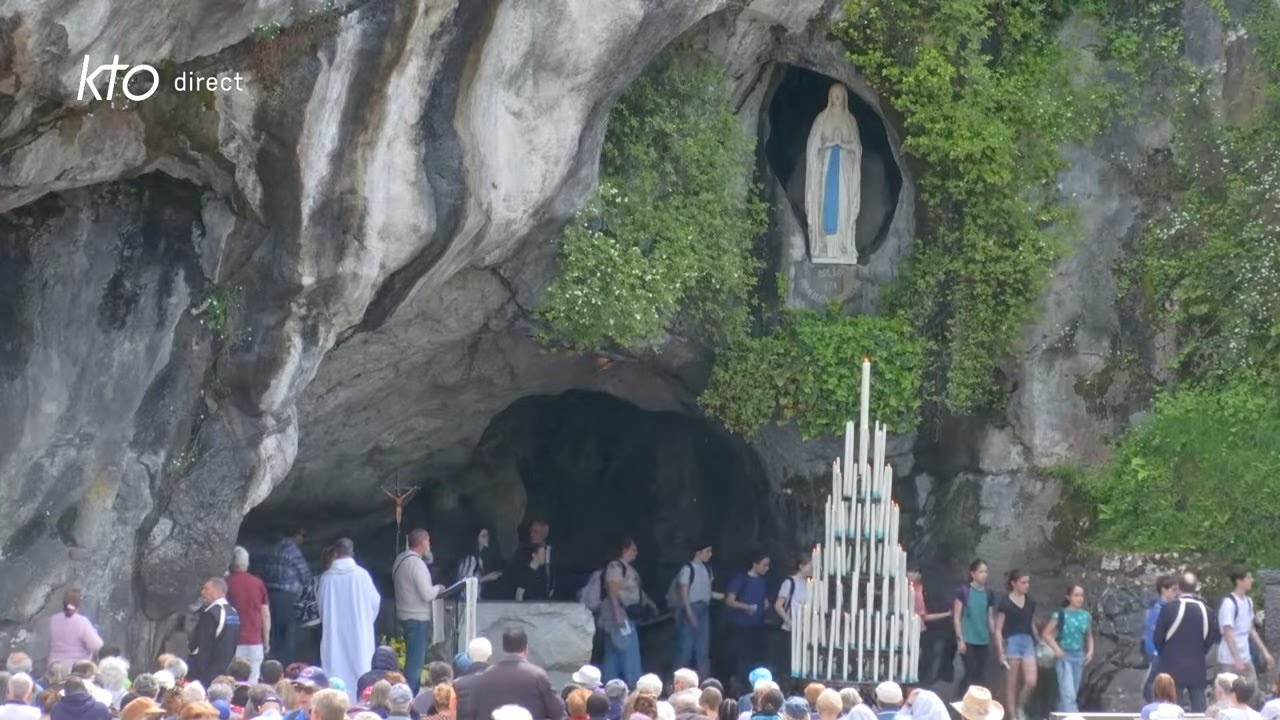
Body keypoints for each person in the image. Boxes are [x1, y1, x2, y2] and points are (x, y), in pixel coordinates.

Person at [318, 539, 381, 702]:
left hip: (334, 635)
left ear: (336, 553)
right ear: (352, 553)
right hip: (359, 634)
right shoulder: (363, 576)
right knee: (360, 669)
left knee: (336, 669)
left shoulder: (326, 578)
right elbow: (375, 602)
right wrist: (365, 622)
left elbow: (321, 606)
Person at [453, 628, 564, 720]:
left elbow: (472, 711)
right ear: (526, 649)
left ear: (503, 648)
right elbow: (558, 711)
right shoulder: (538, 676)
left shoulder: (484, 676)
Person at [1155, 572, 1220, 713]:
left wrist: (1166, 654)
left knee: (1173, 705)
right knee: (1199, 704)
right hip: (1197, 663)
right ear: (1195, 587)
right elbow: (1210, 638)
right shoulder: (1207, 611)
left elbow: (1158, 638)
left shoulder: (1169, 608)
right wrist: (1199, 652)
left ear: (1179, 587)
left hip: (1171, 663)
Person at [392, 529, 446, 694]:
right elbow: (427, 594)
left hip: (404, 614)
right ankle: (410, 697)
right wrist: (439, 588)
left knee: (411, 659)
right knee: (415, 662)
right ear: (423, 543)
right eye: (428, 541)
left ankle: (406, 694)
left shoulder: (400, 558)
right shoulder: (416, 564)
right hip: (416, 618)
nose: (429, 544)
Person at [601, 539, 656, 686]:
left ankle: (612, 683)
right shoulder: (615, 567)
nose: (636, 553)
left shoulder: (628, 569)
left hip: (627, 615)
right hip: (620, 615)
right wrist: (617, 612)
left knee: (615, 651)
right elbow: (613, 590)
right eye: (633, 549)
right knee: (628, 651)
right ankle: (632, 684)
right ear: (624, 550)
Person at [260, 529, 312, 667]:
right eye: (302, 536)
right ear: (296, 536)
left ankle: (273, 665)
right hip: (288, 596)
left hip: (271, 595)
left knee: (274, 633)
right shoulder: (293, 551)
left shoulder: (272, 548)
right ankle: (287, 666)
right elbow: (305, 574)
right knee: (288, 634)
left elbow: (263, 570)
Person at [1041, 583, 1093, 714]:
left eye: (1081, 595)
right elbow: (1046, 633)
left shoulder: (1085, 616)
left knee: (1069, 694)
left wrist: (1091, 651)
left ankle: (1059, 716)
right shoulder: (1060, 614)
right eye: (1076, 595)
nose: (1080, 598)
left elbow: (1089, 635)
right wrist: (1056, 648)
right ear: (1069, 597)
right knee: (1069, 695)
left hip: (1078, 656)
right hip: (1064, 656)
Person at [994, 569, 1037, 720]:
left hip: (1027, 640)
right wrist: (1000, 651)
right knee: (1011, 684)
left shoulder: (1030, 601)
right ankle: (1013, 716)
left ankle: (1020, 706)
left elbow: (1031, 623)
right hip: (1011, 641)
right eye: (1023, 582)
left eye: (1028, 582)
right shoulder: (1005, 602)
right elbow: (998, 629)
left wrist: (1038, 642)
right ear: (1014, 583)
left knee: (1031, 680)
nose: (1026, 585)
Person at [725, 553, 771, 694]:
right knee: (740, 657)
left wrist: (765, 607)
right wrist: (747, 607)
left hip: (756, 625)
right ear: (755, 564)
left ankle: (749, 685)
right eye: (764, 565)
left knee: (753, 657)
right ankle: (737, 685)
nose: (767, 568)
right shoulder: (741, 579)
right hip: (740, 625)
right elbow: (729, 600)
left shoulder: (763, 581)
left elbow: (764, 600)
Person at [226, 547, 272, 684]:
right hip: (254, 641)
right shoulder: (258, 583)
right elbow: (265, 614)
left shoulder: (225, 583)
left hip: (232, 642)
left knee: (231, 681)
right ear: (247, 563)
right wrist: (266, 641)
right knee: (252, 683)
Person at [1218, 568, 1273, 683]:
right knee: (1231, 691)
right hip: (1230, 659)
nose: (1251, 580)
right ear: (1239, 581)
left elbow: (1251, 630)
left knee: (1252, 689)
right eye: (1248, 578)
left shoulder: (1248, 602)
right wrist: (1237, 659)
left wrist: (1265, 653)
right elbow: (1228, 632)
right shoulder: (1229, 603)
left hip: (1245, 656)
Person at [673, 543, 719, 680]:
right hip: (691, 607)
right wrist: (689, 612)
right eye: (707, 551)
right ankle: (677, 681)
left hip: (704, 607)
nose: (710, 554)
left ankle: (704, 681)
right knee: (685, 649)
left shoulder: (707, 569)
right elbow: (684, 593)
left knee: (703, 650)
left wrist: (722, 596)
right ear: (698, 552)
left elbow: (708, 591)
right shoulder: (688, 569)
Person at [190, 578, 242, 687]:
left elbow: (202, 647)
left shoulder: (211, 614)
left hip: (208, 676)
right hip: (226, 674)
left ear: (217, 591)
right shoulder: (233, 613)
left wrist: (198, 677)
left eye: (206, 589)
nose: (202, 592)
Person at [953, 560, 995, 689]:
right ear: (973, 574)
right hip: (968, 639)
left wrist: (995, 635)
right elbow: (956, 617)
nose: (984, 575)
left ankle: (976, 703)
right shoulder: (964, 592)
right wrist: (960, 639)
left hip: (983, 639)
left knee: (980, 674)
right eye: (981, 572)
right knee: (969, 672)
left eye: (986, 572)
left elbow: (990, 617)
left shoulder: (988, 593)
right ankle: (962, 698)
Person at [1143, 576, 1180, 703]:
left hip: (1168, 652)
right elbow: (1151, 631)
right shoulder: (1157, 609)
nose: (1176, 593)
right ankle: (1153, 705)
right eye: (1173, 590)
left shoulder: (1172, 607)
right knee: (1153, 682)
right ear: (1164, 589)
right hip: (1157, 651)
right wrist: (1154, 650)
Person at [48, 591, 104, 666]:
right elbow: (96, 646)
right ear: (78, 605)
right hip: (75, 668)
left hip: (53, 667)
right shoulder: (82, 622)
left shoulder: (53, 620)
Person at [455, 528, 503, 597]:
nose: (487, 538)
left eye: (487, 535)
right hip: (466, 599)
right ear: (475, 538)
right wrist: (487, 578)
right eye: (483, 536)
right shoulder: (470, 559)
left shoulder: (479, 558)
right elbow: (466, 582)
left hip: (475, 598)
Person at [527, 520, 556, 600]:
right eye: (531, 531)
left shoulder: (555, 553)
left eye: (535, 532)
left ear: (545, 535)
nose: (531, 535)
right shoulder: (523, 553)